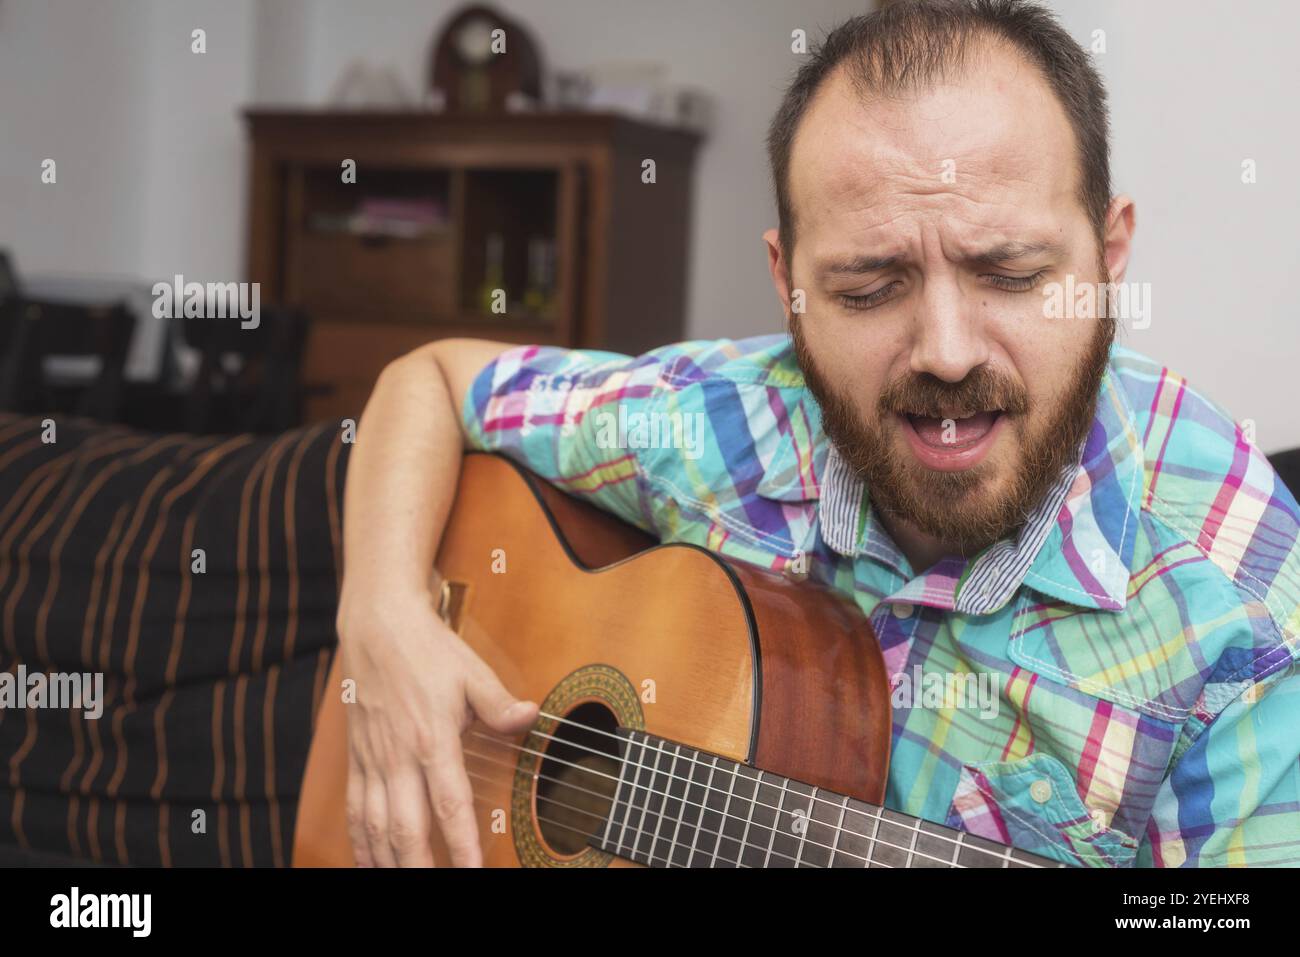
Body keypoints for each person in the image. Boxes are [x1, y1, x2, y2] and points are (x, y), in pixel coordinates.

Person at [337, 0, 1300, 868]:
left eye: (1010, 273)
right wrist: (382, 618)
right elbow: (429, 378)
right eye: (869, 288)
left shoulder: (1245, 612)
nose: (949, 353)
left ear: (1109, 255)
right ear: (788, 285)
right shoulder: (724, 422)